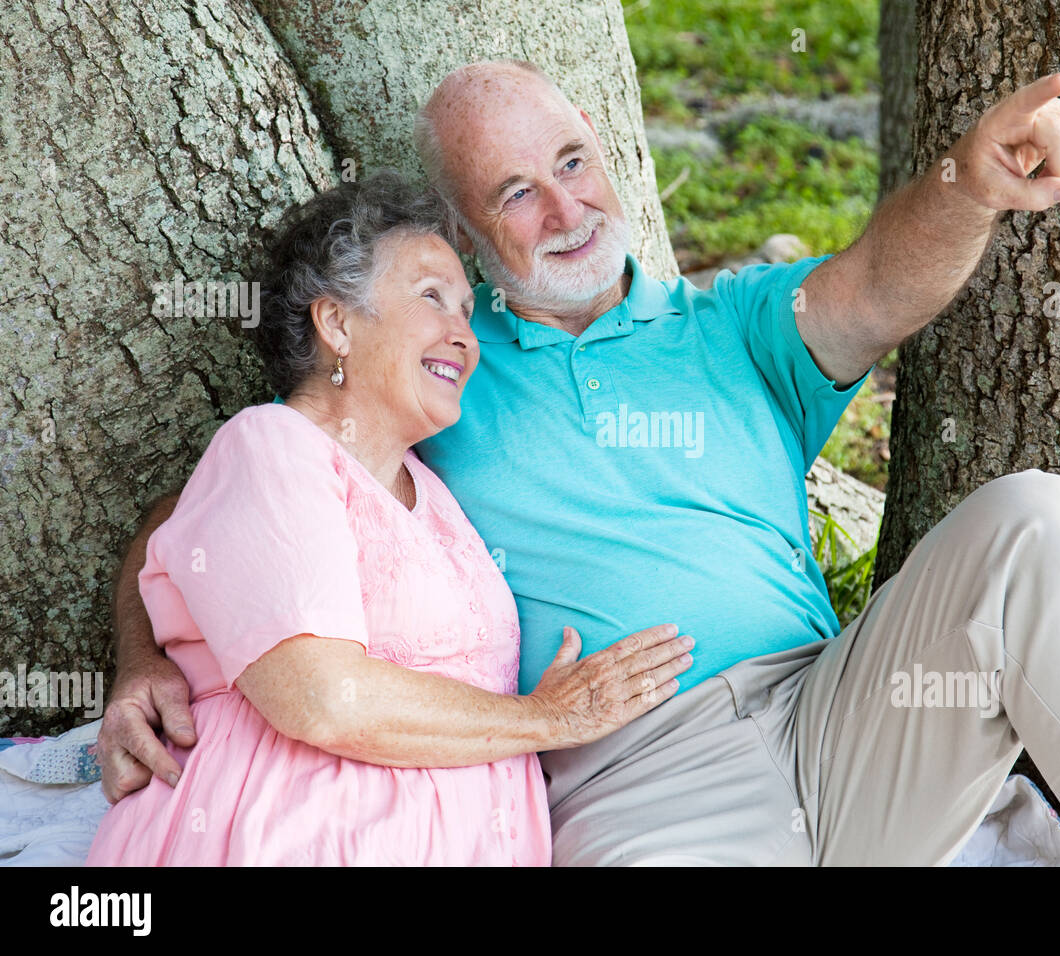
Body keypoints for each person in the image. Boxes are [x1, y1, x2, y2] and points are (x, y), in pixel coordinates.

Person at [99, 61, 1060, 866]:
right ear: (467, 234)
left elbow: (880, 284)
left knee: (1042, 519)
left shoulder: (732, 323)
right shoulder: (440, 363)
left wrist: (971, 183)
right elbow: (222, 509)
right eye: (515, 192)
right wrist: (143, 662)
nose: (565, 207)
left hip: (841, 709)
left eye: (572, 161)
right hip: (630, 780)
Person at [86, 171, 692, 866]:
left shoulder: (434, 491)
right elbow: (320, 698)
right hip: (290, 836)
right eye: (432, 297)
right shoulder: (273, 444)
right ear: (337, 323)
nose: (465, 336)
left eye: (467, 311)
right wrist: (549, 718)